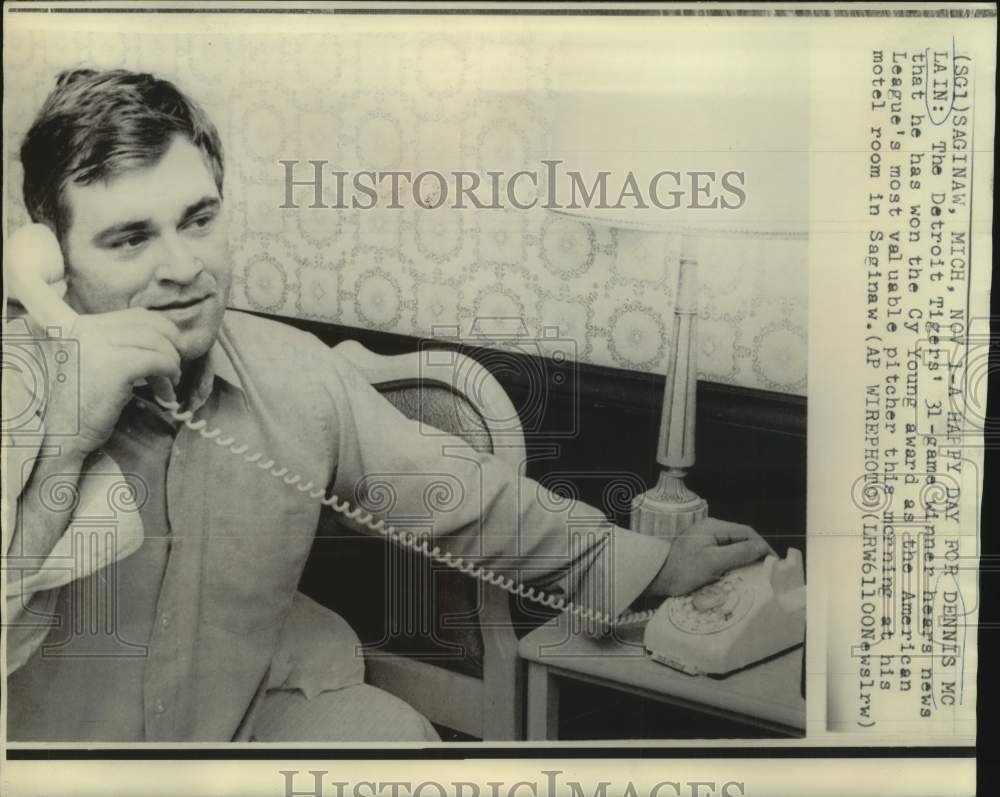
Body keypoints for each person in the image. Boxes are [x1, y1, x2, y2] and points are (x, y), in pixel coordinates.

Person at [2, 69, 772, 742]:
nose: (183, 267)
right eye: (129, 239)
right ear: (50, 263)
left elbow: (465, 498)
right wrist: (64, 444)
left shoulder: (292, 376)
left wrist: (651, 562)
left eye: (199, 220)